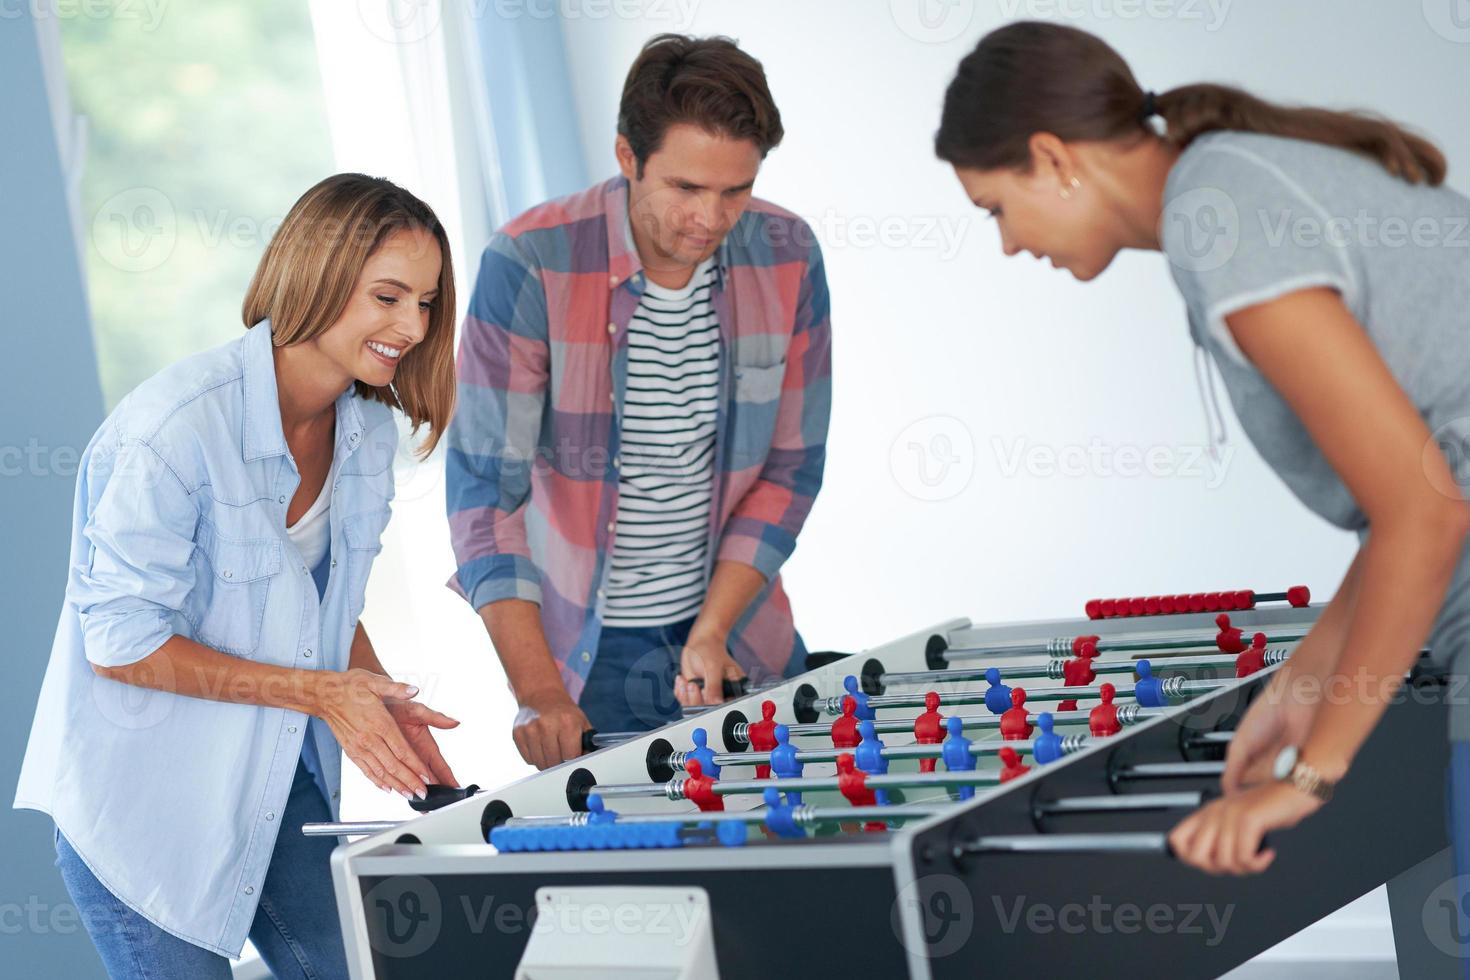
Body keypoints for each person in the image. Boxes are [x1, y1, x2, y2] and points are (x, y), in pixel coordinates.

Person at [934, 21, 1470, 882]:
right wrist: (1303, 686)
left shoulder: (1216, 219)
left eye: (996, 207)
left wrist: (1309, 778)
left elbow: (1427, 510)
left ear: (1053, 155)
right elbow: (1418, 490)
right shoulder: (1220, 193)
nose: (1007, 243)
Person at [14, 174, 461, 978]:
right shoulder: (176, 429)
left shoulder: (365, 430)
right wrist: (324, 695)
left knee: (370, 969)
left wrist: (380, 704)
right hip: (147, 813)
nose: (412, 326)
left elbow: (322, 609)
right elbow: (119, 645)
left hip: (277, 786)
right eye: (388, 297)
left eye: (425, 303)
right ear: (316, 279)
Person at [447, 34, 832, 768]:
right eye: (686, 188)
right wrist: (538, 692)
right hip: (589, 662)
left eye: (735, 190)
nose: (712, 220)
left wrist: (712, 631)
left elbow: (790, 468)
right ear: (628, 157)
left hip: (737, 633)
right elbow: (484, 499)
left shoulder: (788, 252)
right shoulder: (530, 262)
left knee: (788, 861)